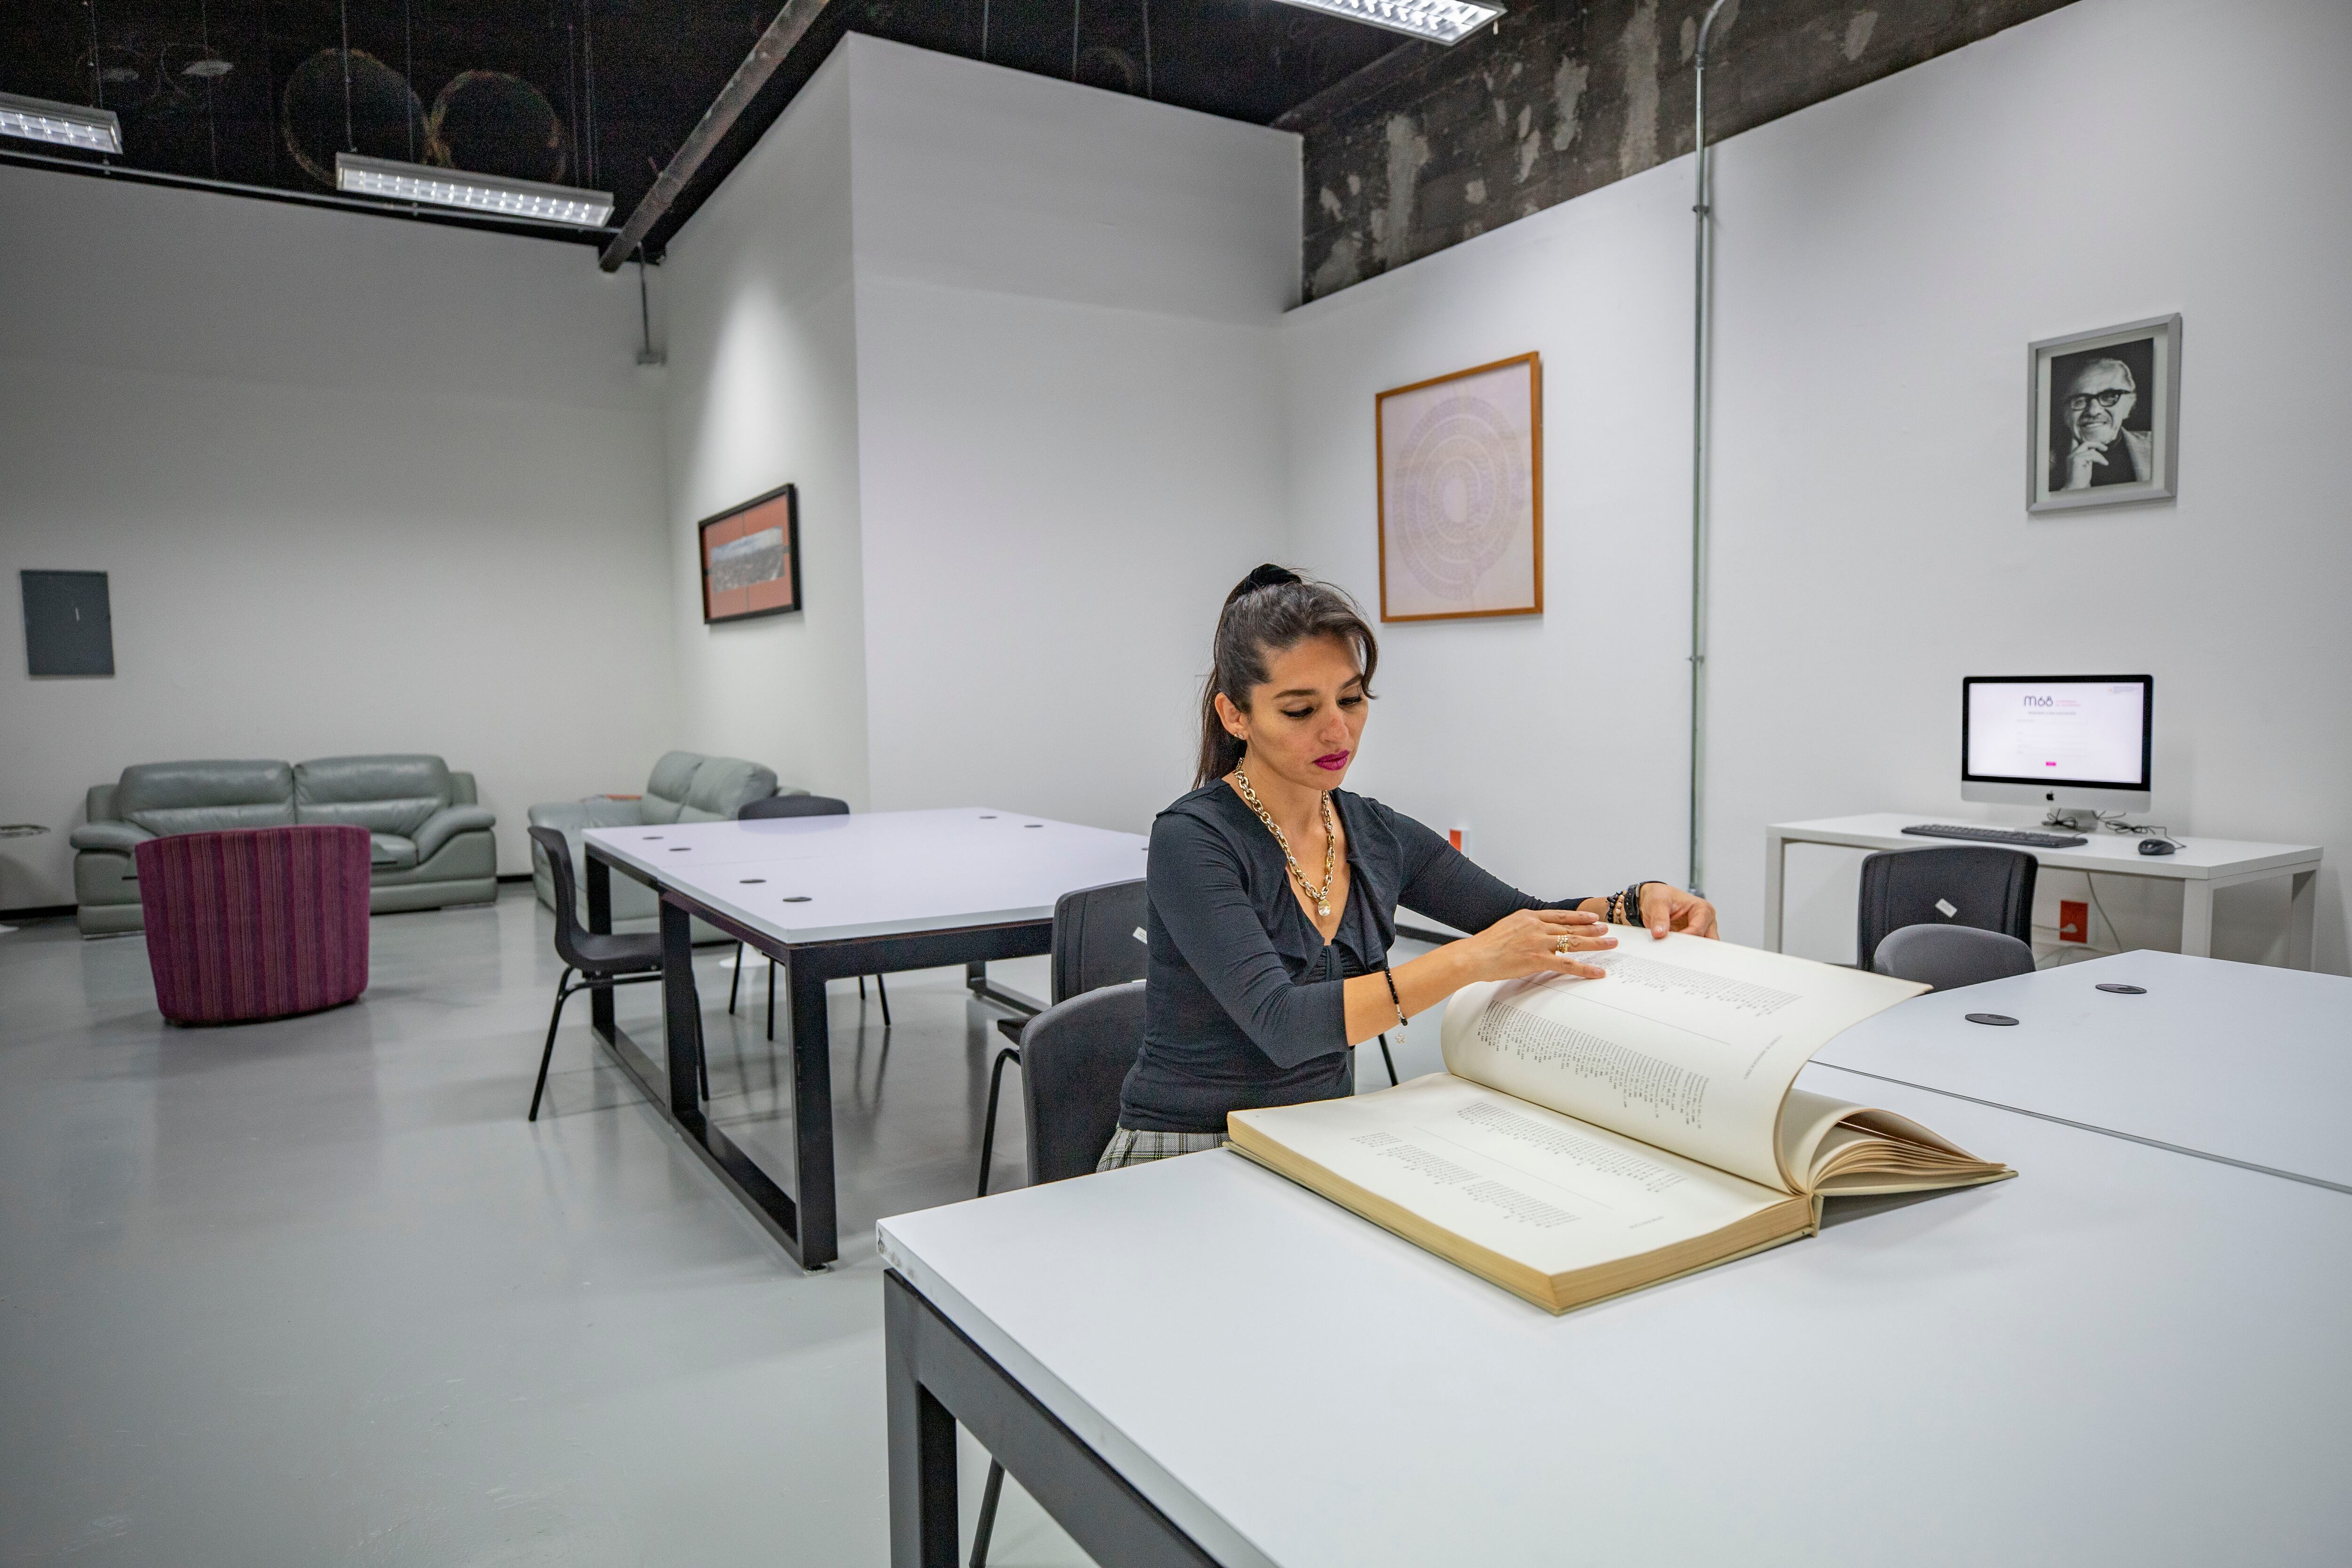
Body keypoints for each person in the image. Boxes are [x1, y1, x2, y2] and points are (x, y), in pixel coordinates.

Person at [1100, 565, 1718, 1170]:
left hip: (1317, 1140)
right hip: (1187, 1151)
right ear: (1236, 715)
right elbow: (1282, 1024)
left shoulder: (1373, 833)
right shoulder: (1193, 840)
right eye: (1299, 710)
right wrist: (1469, 961)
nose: (1337, 730)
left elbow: (1516, 916)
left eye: (1351, 699)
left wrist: (1634, 904)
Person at [2051, 355, 2153, 492]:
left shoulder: (2158, 447)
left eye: (2109, 397)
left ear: (2130, 405)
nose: (2093, 411)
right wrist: (2072, 488)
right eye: (2080, 400)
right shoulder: (2041, 468)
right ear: (2066, 414)